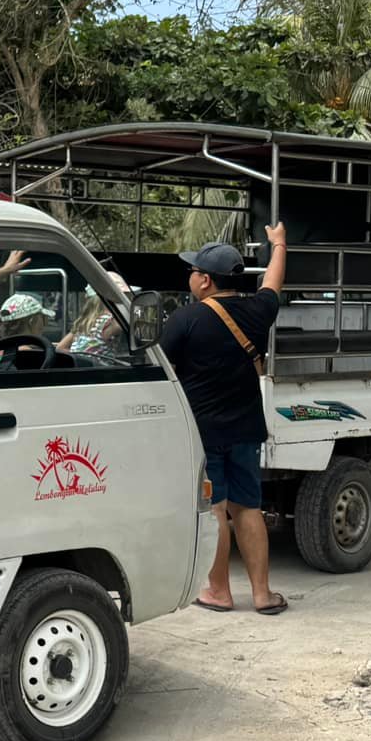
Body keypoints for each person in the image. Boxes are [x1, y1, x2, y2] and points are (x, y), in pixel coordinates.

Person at [161, 227, 289, 614]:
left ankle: (218, 591)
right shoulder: (257, 313)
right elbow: (272, 282)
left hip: (204, 434)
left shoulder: (185, 320)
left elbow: (161, 370)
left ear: (204, 279)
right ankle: (263, 594)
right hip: (246, 431)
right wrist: (279, 244)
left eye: (193, 270)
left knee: (215, 510)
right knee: (247, 508)